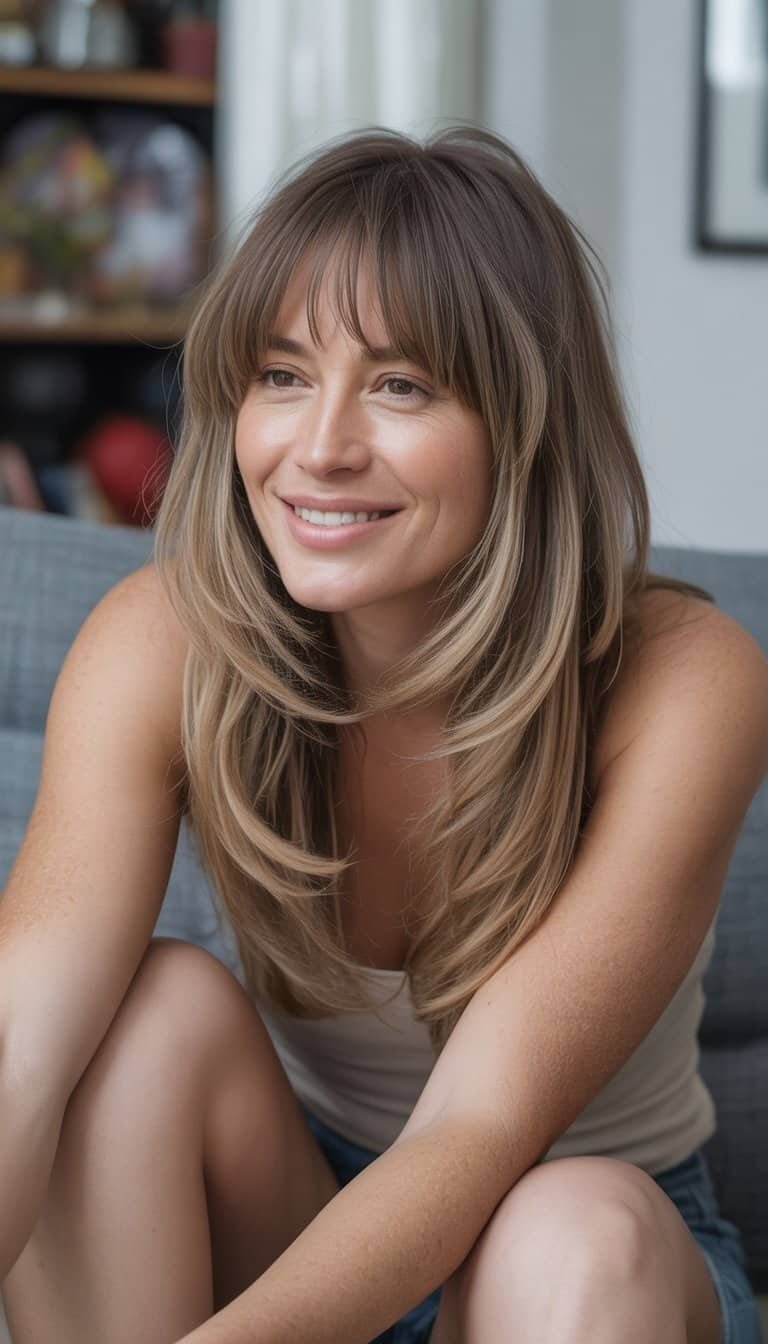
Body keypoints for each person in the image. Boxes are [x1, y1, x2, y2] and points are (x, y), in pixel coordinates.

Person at [1, 125, 766, 1344]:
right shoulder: (165, 640)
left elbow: (476, 1131)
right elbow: (20, 1050)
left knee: (566, 1228)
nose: (319, 448)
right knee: (134, 1024)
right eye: (283, 375)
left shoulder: (684, 680)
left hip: (585, 1272)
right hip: (296, 1211)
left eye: (402, 385)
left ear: (524, 423)